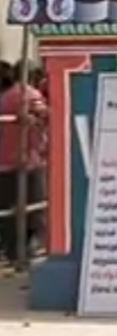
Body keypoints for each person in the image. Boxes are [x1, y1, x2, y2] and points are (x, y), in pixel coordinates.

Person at [0, 63, 48, 266]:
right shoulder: (26, 94)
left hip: (9, 162)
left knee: (12, 217)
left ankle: (15, 255)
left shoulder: (9, 96)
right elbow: (44, 114)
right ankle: (23, 256)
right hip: (26, 161)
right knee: (32, 214)